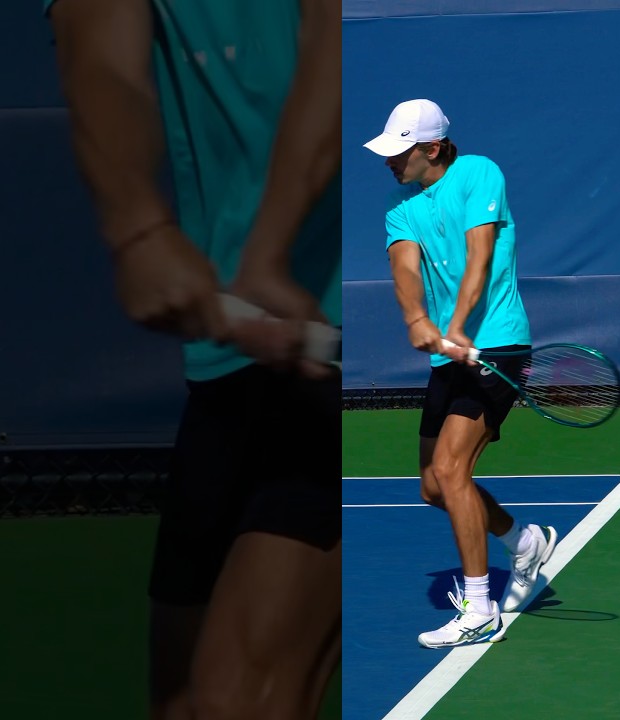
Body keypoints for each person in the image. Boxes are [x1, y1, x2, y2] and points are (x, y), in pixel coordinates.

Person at [45, 1, 341, 718]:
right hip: (235, 365)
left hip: (345, 338)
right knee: (178, 698)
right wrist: (138, 227)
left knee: (239, 700)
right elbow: (101, 55)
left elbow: (344, 41)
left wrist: (269, 251)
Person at [363, 99, 559, 648]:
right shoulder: (400, 209)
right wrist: (417, 319)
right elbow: (404, 269)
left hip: (495, 343)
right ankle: (523, 544)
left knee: (451, 468)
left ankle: (480, 609)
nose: (389, 162)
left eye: (398, 152)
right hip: (448, 354)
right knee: (433, 486)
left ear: (431, 148)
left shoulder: (478, 172)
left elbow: (480, 256)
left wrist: (454, 324)